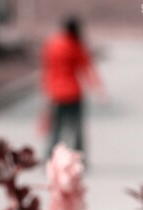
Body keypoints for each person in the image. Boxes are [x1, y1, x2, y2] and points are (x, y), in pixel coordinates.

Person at [42, 16, 104, 159]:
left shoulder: (52, 44)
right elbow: (87, 69)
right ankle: (78, 158)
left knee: (56, 129)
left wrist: (46, 91)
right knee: (76, 129)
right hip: (73, 93)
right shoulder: (76, 45)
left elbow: (47, 69)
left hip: (55, 93)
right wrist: (98, 88)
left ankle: (51, 157)